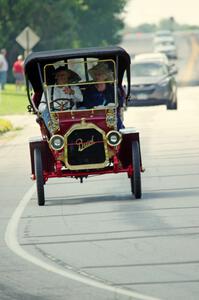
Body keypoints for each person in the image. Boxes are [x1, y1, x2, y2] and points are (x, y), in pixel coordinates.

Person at [38, 62, 83, 132]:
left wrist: (72, 92)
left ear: (68, 76)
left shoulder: (74, 87)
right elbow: (41, 105)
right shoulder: (49, 89)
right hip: (54, 118)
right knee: (44, 111)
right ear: (56, 77)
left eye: (64, 75)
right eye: (59, 75)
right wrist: (47, 108)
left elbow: (81, 99)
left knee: (83, 109)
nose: (62, 77)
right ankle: (53, 132)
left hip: (71, 115)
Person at [83, 62, 125, 129]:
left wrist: (112, 105)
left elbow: (120, 102)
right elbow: (86, 103)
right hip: (93, 115)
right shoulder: (89, 89)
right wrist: (95, 107)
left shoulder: (112, 89)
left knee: (116, 122)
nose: (97, 77)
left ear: (105, 76)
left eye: (99, 74)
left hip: (110, 114)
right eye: (95, 74)